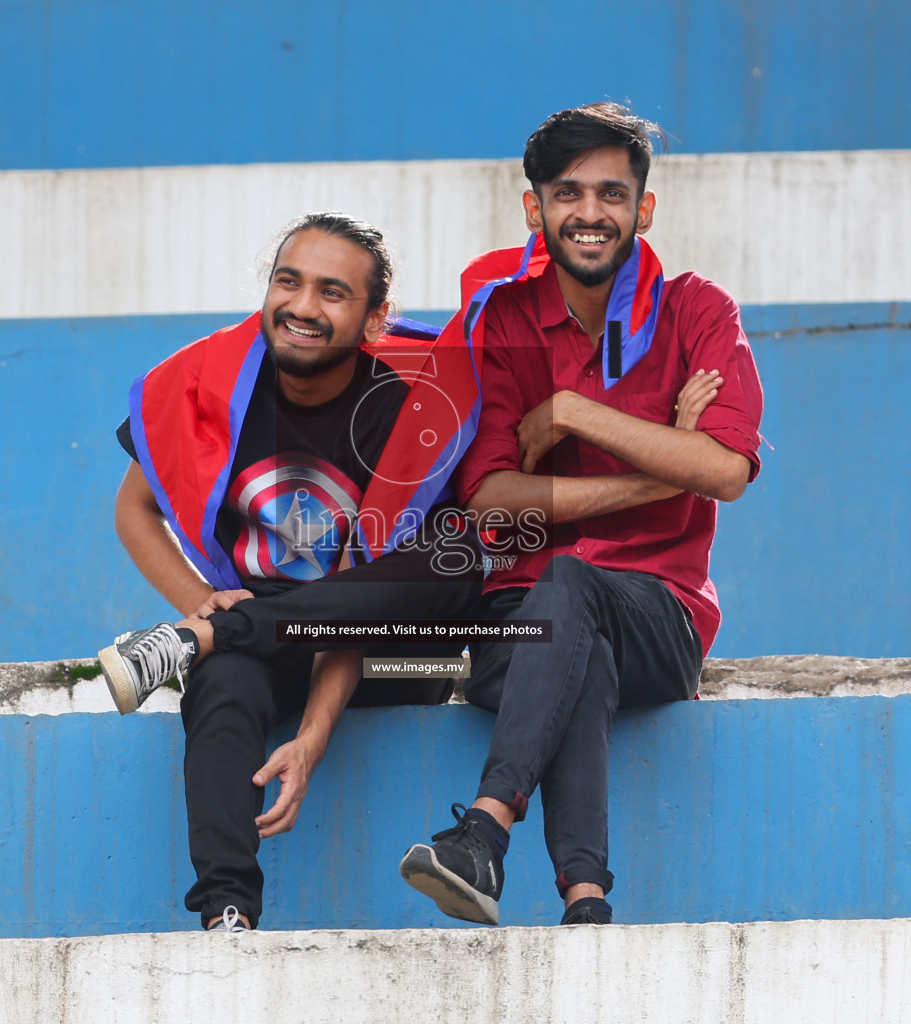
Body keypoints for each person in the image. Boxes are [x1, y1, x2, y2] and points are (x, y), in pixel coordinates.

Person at [398, 103, 765, 927]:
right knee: (573, 632)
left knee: (576, 585)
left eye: (611, 193)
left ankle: (484, 830)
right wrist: (661, 466)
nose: (590, 214)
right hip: (516, 632)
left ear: (644, 207)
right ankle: (586, 899)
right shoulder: (500, 319)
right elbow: (489, 498)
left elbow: (726, 469)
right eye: (569, 194)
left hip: (660, 618)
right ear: (535, 208)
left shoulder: (696, 310)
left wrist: (572, 411)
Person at [100, 212, 484, 932]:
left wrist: (312, 737)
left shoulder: (406, 406)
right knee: (222, 677)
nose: (303, 307)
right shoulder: (207, 388)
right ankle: (227, 911)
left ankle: (203, 639)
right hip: (272, 633)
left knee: (452, 555)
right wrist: (202, 603)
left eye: (332, 292)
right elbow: (132, 509)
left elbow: (362, 600)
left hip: (396, 652)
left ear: (375, 321)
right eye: (288, 281)